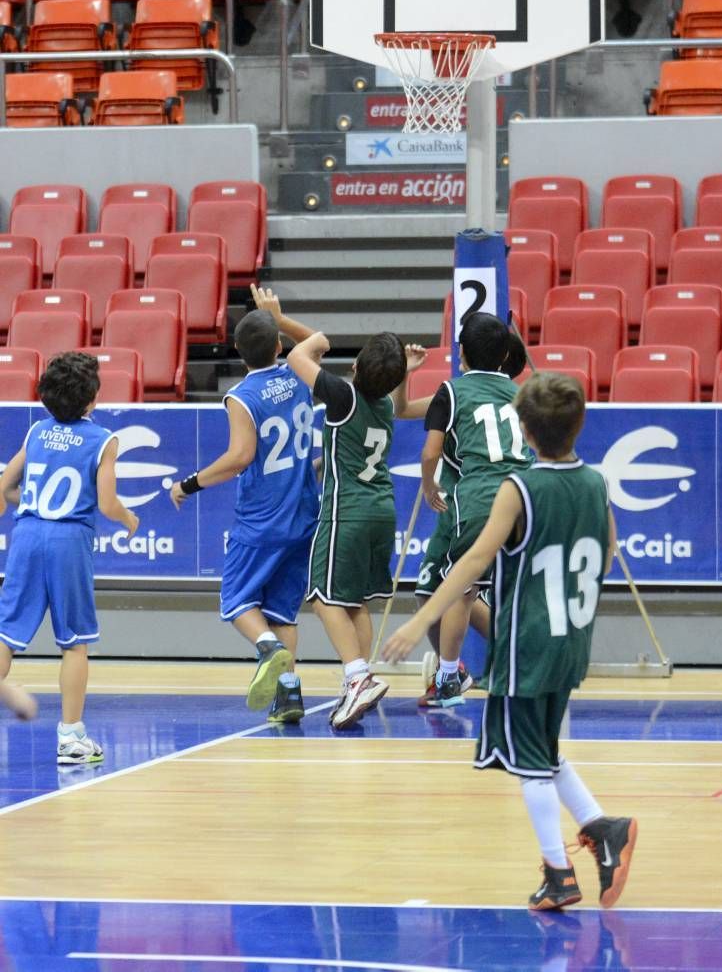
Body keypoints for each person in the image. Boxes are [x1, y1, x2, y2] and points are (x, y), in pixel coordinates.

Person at [384, 371, 637, 912]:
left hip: (527, 643)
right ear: (581, 423)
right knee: (539, 750)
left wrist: (417, 619)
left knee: (527, 765)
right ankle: (603, 827)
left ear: (524, 430)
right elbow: (609, 550)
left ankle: (558, 872)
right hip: (572, 638)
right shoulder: (595, 484)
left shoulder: (519, 487)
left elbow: (473, 560)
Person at [171, 288, 319, 724]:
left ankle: (268, 649)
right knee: (281, 611)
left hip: (262, 517)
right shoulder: (298, 374)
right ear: (278, 345)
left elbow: (239, 458)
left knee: (236, 601)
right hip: (303, 513)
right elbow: (319, 340)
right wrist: (282, 318)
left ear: (237, 352)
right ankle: (288, 695)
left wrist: (190, 484)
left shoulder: (241, 396)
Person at [0, 352, 138, 764]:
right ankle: (71, 738)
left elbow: (6, 485)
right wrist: (129, 518)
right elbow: (108, 503)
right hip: (68, 542)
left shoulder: (37, 432)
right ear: (93, 399)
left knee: (6, 633)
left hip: (27, 535)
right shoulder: (104, 440)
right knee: (75, 644)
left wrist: (17, 503)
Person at [288, 329, 422, 730]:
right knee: (354, 602)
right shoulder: (383, 404)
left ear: (357, 366)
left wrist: (290, 325)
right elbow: (399, 405)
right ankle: (358, 681)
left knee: (322, 598)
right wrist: (404, 374)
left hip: (347, 511)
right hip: (382, 508)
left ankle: (357, 675)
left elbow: (298, 356)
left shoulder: (344, 396)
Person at [420, 313, 532, 707]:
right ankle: (533, 663)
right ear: (505, 355)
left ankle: (449, 677)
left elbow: (432, 451)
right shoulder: (523, 393)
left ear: (461, 352)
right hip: (528, 496)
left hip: (483, 496)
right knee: (522, 590)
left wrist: (428, 482)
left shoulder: (452, 391)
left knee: (459, 589)